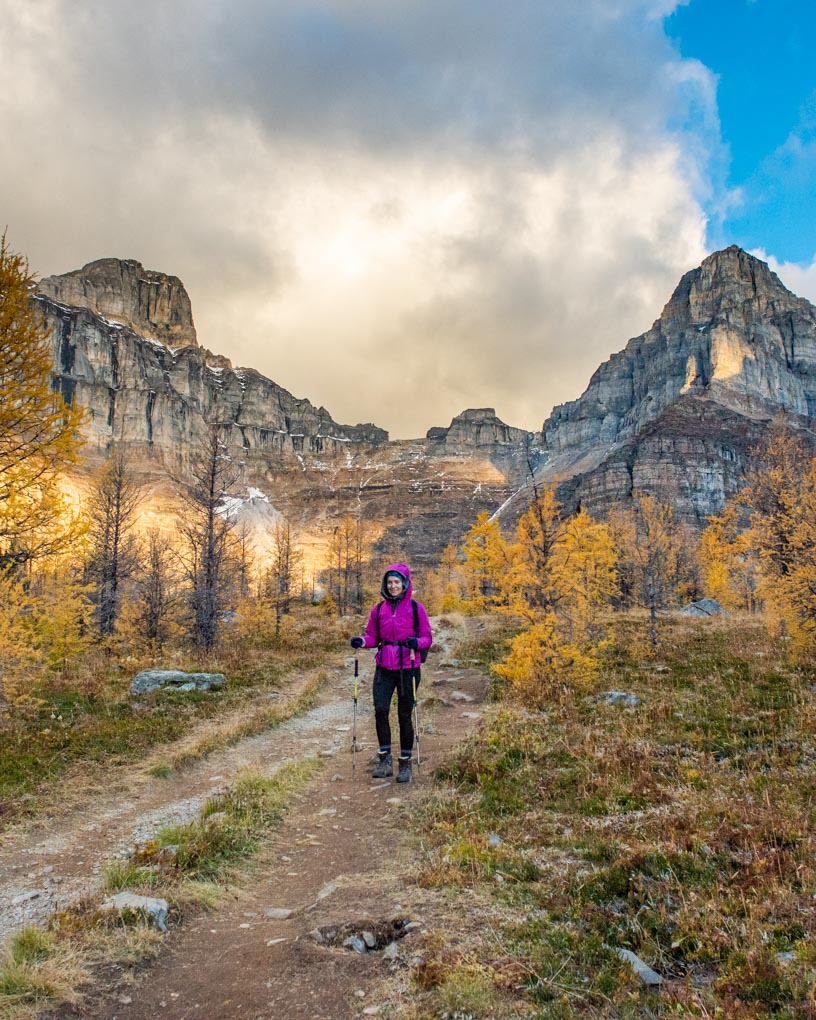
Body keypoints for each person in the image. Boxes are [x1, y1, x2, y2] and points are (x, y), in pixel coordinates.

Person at [350, 563, 432, 783]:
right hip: (384, 668)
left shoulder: (416, 609)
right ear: (385, 584)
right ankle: (384, 759)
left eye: (397, 582)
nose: (393, 586)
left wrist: (416, 642)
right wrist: (361, 641)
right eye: (390, 582)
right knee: (380, 710)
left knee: (404, 715)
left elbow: (427, 638)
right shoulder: (378, 610)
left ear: (405, 584)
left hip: (409, 668)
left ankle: (405, 763)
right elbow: (372, 637)